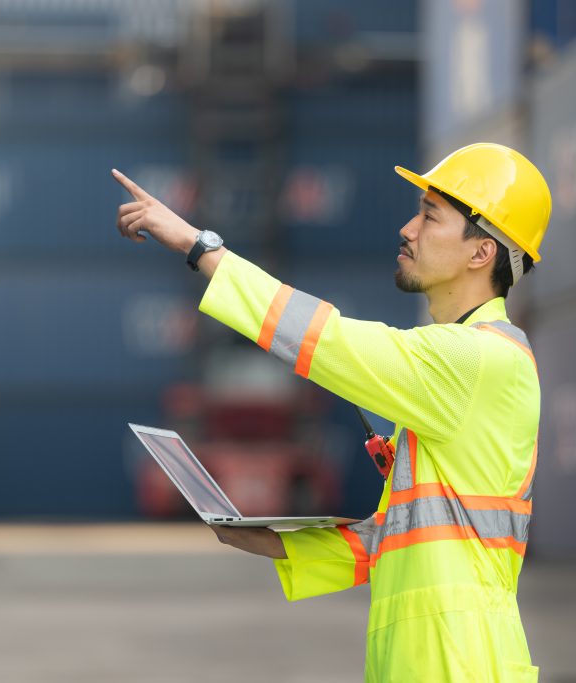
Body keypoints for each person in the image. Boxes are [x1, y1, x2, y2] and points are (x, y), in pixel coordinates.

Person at [112, 142, 550, 682]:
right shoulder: (461, 369)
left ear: (481, 253)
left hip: (459, 664)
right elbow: (397, 539)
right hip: (429, 661)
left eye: (429, 217)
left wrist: (198, 245)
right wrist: (274, 541)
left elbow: (328, 341)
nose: (408, 230)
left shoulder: (479, 359)